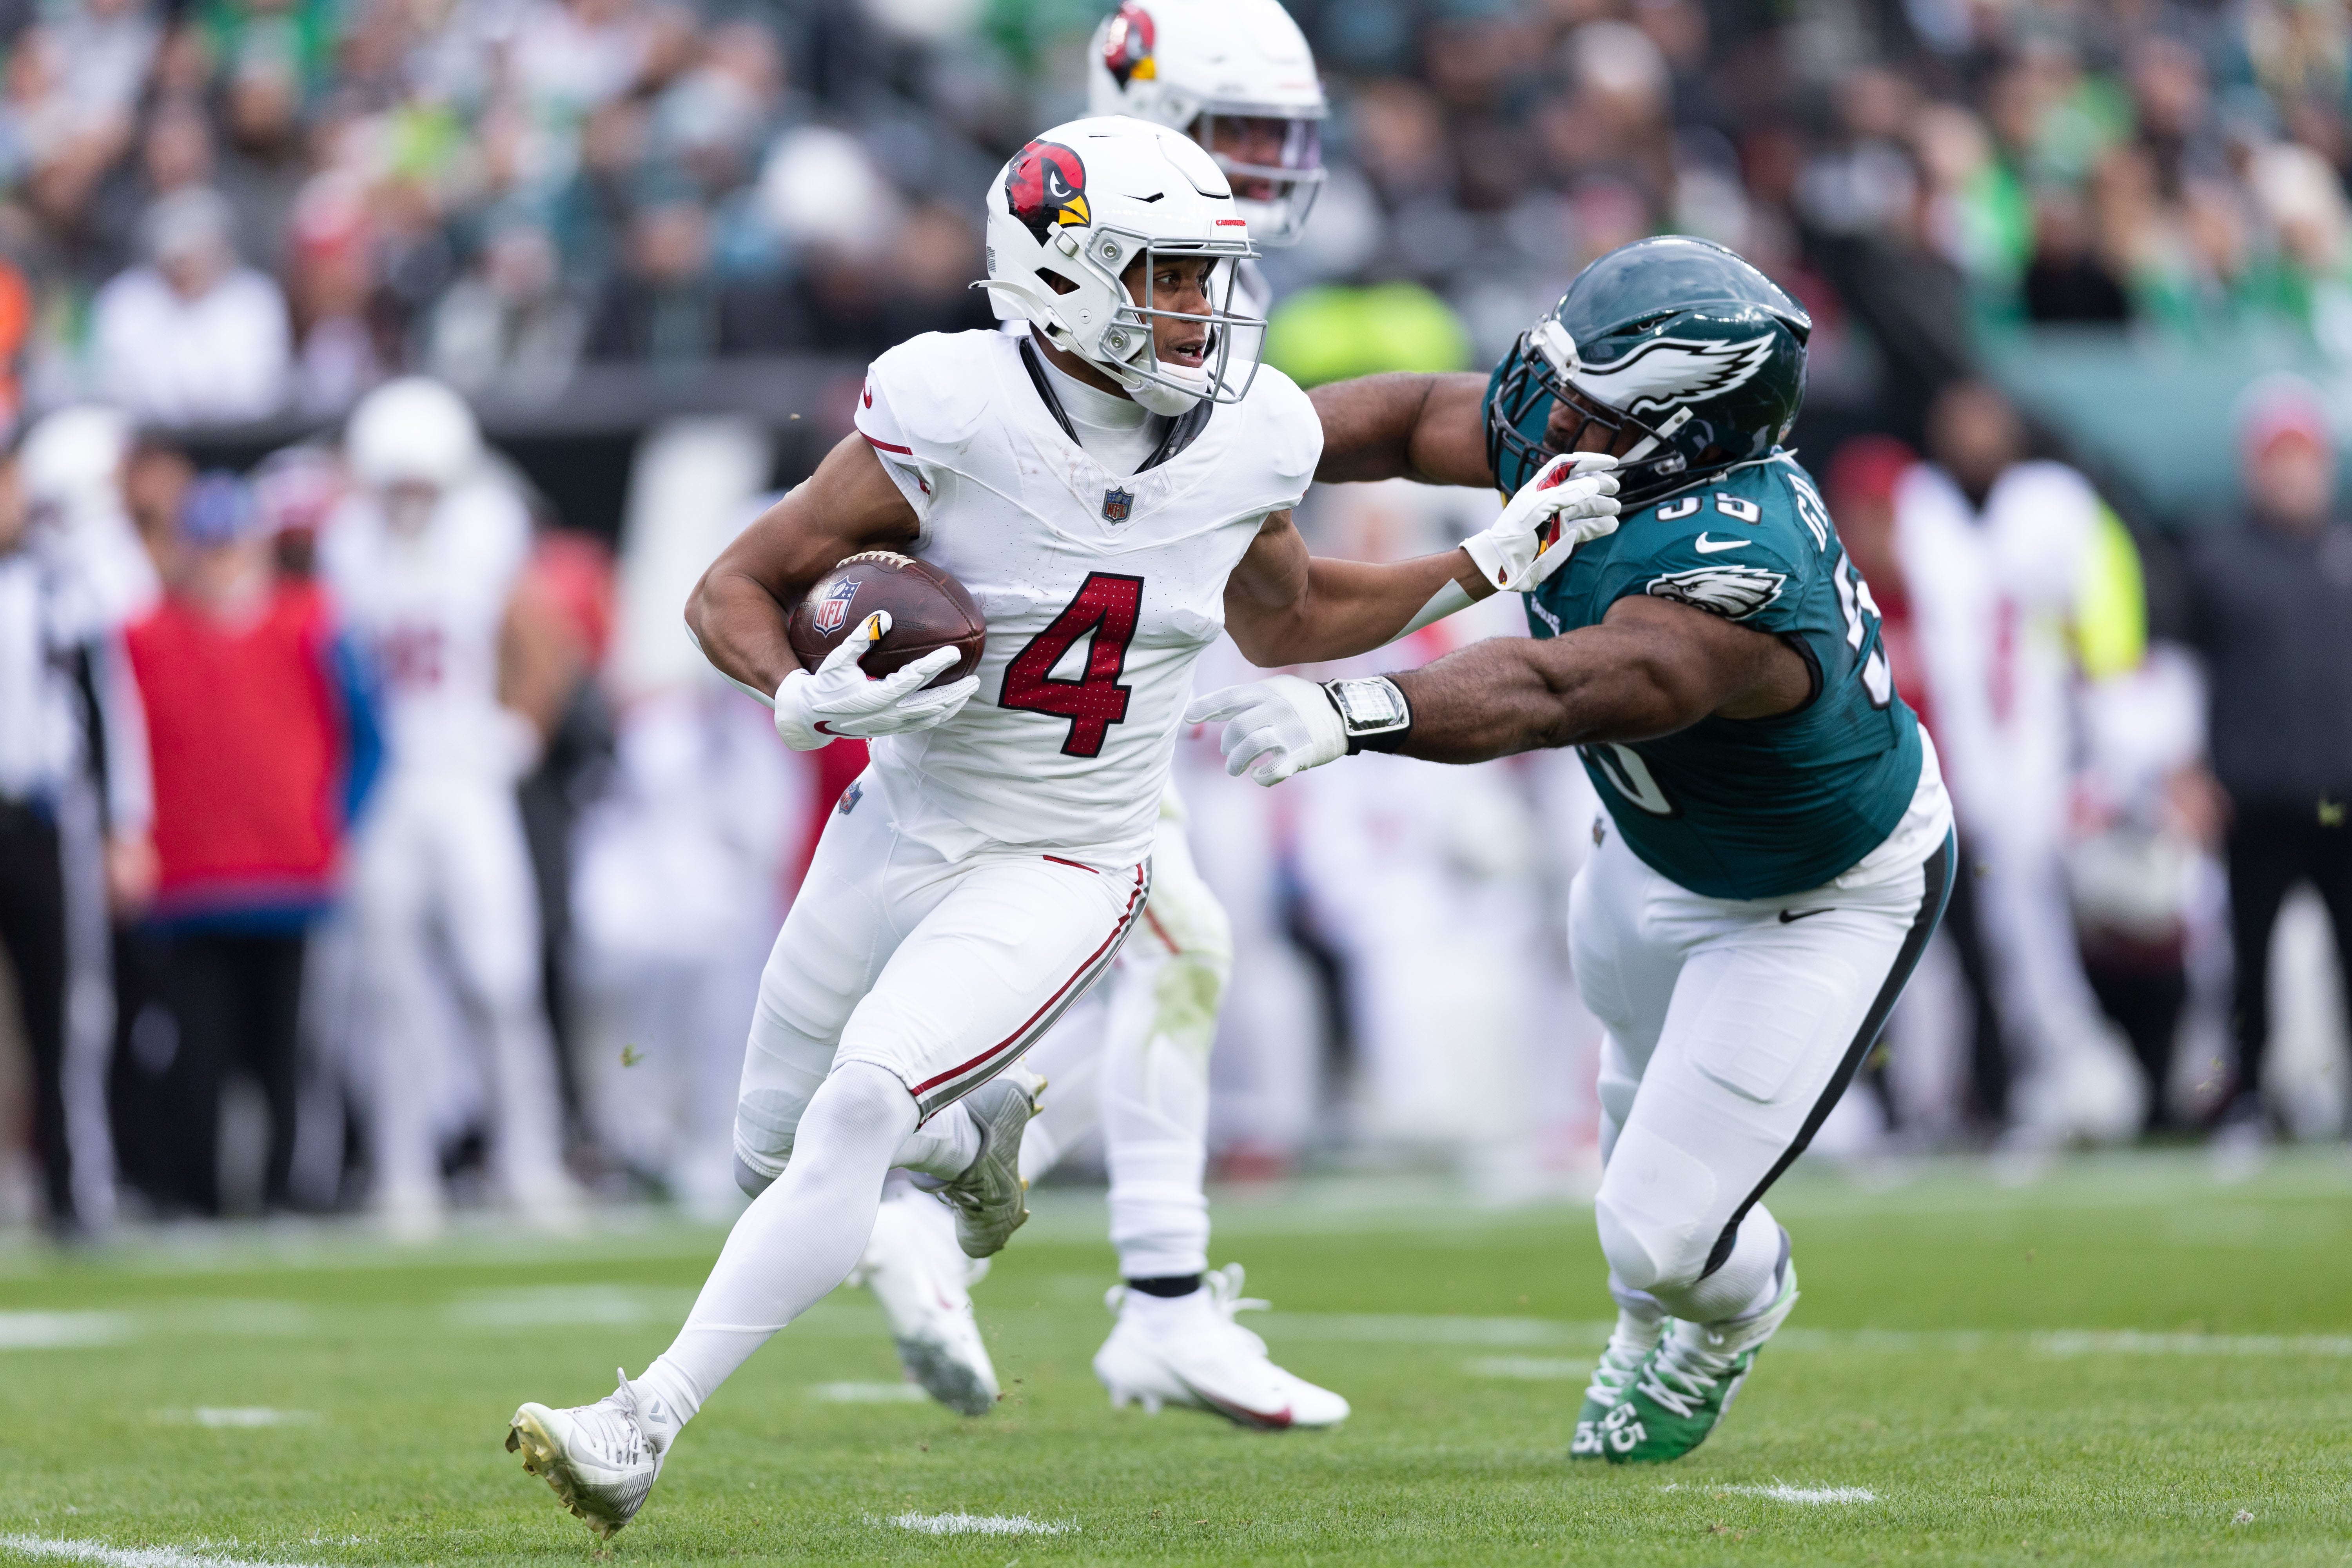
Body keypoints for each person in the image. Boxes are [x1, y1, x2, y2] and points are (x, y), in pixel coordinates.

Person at [504, 114, 1621, 1536]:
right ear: (1060, 274)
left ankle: (639, 1422)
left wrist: (1484, 563)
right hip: (894, 818)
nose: (1198, 307)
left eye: (1201, 276)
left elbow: (1290, 624)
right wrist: (794, 691)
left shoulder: (1248, 436)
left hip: (1070, 854)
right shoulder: (953, 406)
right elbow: (738, 582)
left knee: (861, 1103)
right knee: (773, 1159)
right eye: (1160, 273)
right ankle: (975, 1141)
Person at [1192, 236, 1955, 1464]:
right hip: (1653, 855)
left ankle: (1733, 1319)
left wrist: (1352, 710)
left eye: (1588, 406)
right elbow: (1414, 413)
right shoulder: (1602, 439)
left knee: (1659, 1235)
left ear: (1682, 432)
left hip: (1819, 897)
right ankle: (1665, 1308)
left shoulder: (1737, 570)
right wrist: (1235, 446)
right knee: (1634, 1141)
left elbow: (1559, 689)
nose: (1542, 415)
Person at [849, 0, 1347, 1429]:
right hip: (1017, 753)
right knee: (1146, 953)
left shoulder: (1199, 309)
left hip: (1112, 721)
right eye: (1238, 132)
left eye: (1277, 138)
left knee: (1180, 955)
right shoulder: (1039, 329)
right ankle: (968, 1230)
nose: (1266, 165)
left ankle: (1145, 1293)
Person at [319, 377, 578, 1231]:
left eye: (423, 484)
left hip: (466, 776)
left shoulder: (488, 529)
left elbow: (546, 637)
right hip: (385, 781)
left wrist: (523, 728)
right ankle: (404, 1170)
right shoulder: (344, 542)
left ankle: (529, 1158)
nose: (410, 501)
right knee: (387, 986)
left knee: (499, 976)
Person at [117, 473, 379, 1214]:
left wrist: (339, 821)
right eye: (208, 545)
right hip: (190, 880)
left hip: (290, 873)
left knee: (288, 1052)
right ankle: (199, 1193)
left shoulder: (311, 624)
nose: (220, 561)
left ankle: (293, 1190)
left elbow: (368, 737)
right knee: (195, 1053)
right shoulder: (145, 636)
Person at [2181, 377, 2352, 1138]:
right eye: (2277, 457)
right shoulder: (2216, 555)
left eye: (2302, 457)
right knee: (2248, 966)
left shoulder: (2343, 550)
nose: (2290, 473)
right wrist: (2188, 770)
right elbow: (2179, 675)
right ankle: (2247, 1096)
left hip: (2342, 795)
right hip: (2254, 793)